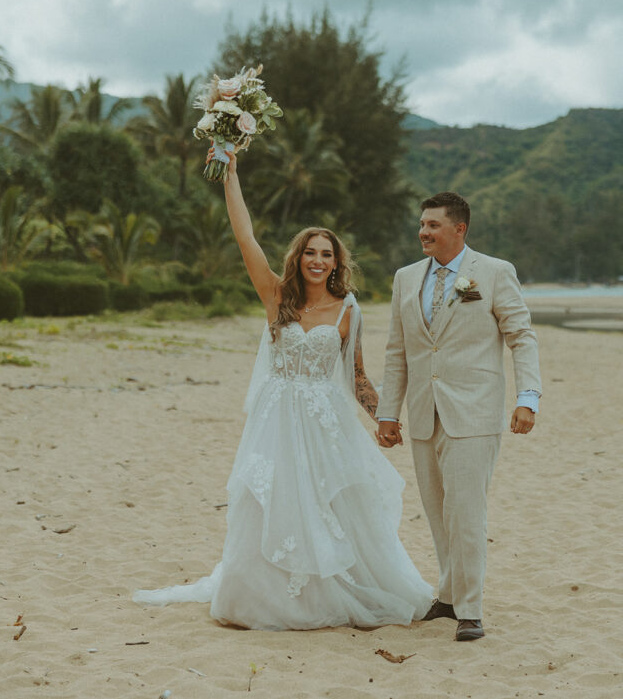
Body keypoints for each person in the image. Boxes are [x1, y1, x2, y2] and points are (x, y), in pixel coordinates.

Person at [133, 150, 432, 630]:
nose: (317, 260)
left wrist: (385, 417)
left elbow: (356, 376)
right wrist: (230, 174)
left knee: (326, 505)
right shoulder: (276, 297)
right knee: (268, 499)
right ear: (299, 257)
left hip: (324, 423)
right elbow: (244, 235)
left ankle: (327, 593)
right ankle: (258, 595)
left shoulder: (347, 310)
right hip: (276, 420)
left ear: (337, 263)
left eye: (326, 254)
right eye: (310, 252)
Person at [376, 191, 541, 641]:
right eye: (422, 224)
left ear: (459, 229)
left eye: (432, 225)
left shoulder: (493, 272)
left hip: (474, 412)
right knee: (437, 511)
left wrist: (528, 396)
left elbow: (521, 337)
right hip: (424, 414)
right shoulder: (406, 278)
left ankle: (470, 609)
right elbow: (398, 352)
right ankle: (449, 595)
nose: (423, 232)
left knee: (466, 512)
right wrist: (387, 413)